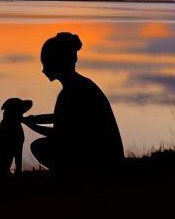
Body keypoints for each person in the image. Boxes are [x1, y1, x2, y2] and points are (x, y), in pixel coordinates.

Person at [22, 32, 124, 173]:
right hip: (107, 156)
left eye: (46, 63)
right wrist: (33, 120)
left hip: (100, 160)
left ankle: (74, 174)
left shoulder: (73, 92)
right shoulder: (80, 86)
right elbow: (61, 117)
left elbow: (60, 133)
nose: (44, 70)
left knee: (39, 146)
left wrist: (33, 126)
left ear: (58, 62)